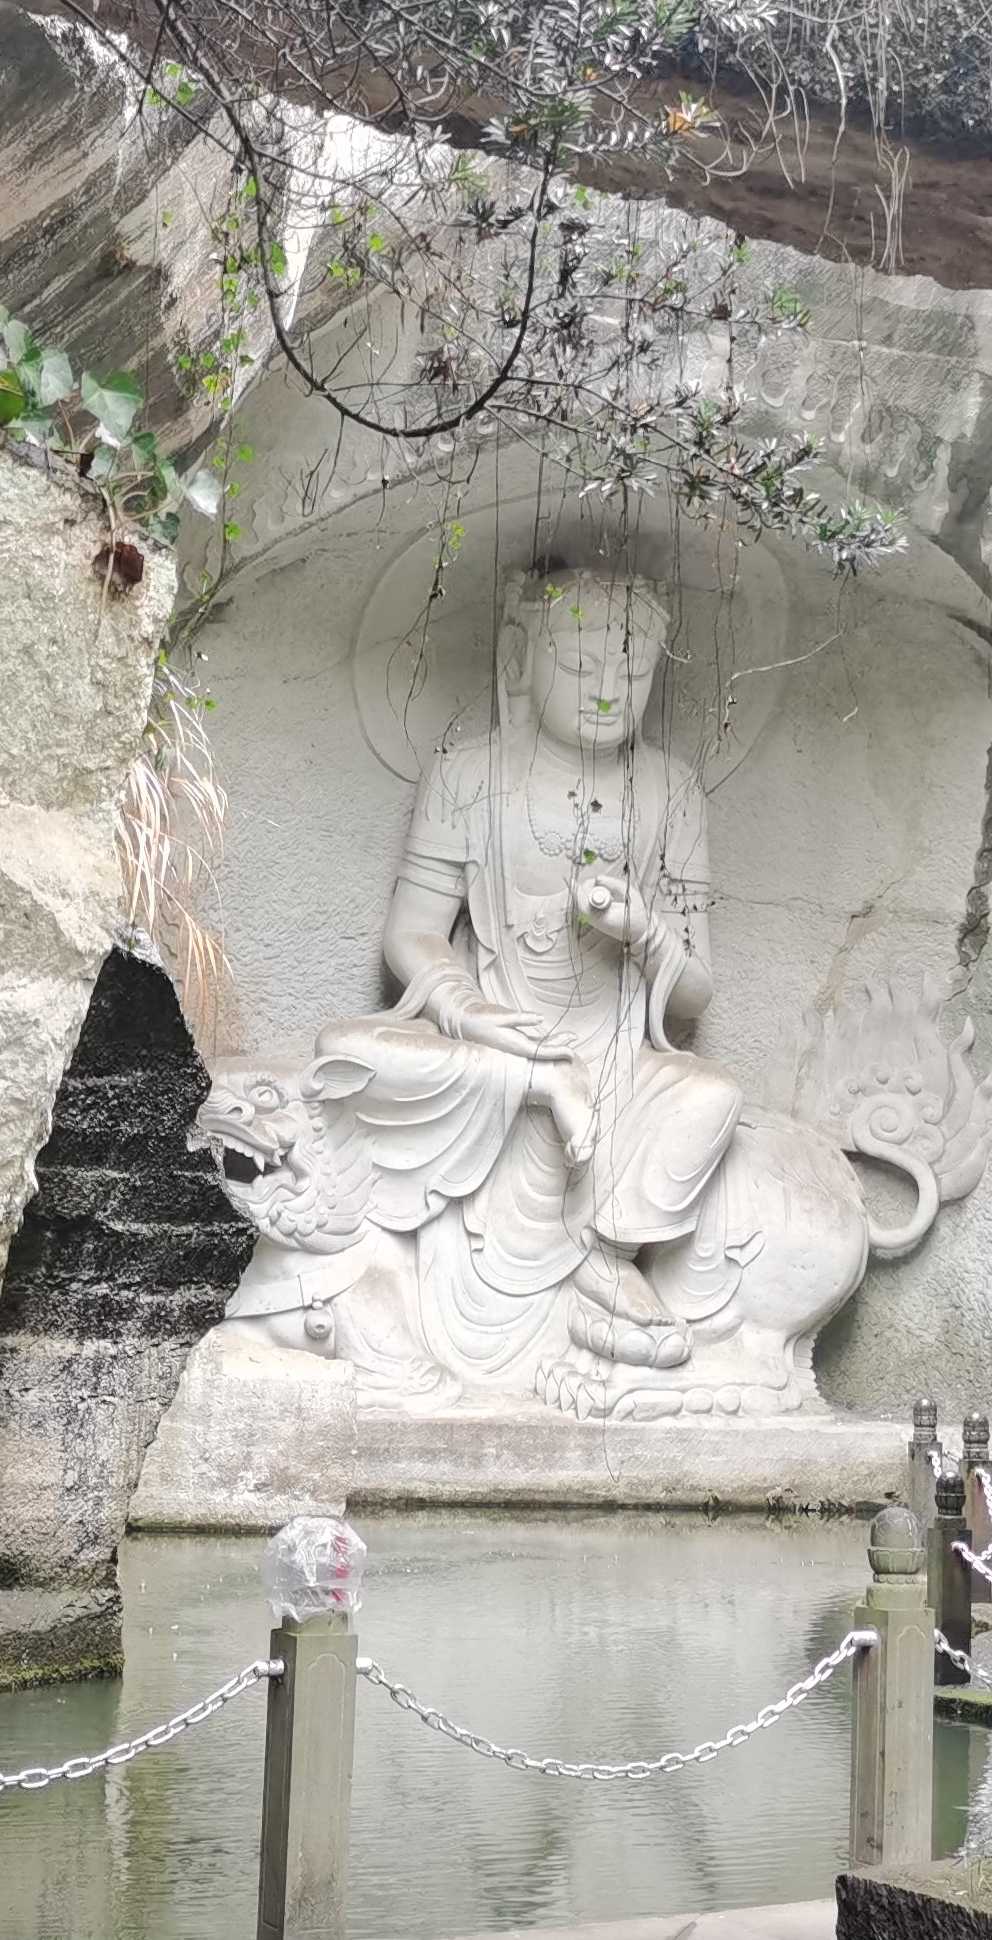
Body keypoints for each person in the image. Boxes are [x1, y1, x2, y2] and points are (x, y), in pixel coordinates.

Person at [308, 559, 742, 1384]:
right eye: (580, 665)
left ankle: (605, 1255)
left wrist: (645, 931)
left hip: (617, 1062)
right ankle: (542, 1091)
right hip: (492, 1048)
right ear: (521, 659)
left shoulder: (672, 793)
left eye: (632, 667)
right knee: (347, 1051)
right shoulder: (469, 775)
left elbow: (694, 994)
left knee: (713, 1095)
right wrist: (472, 1012)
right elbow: (409, 937)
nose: (608, 690)